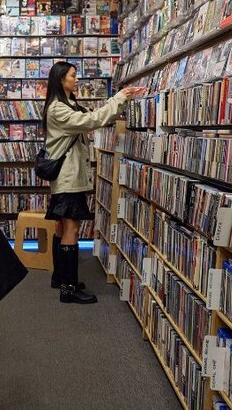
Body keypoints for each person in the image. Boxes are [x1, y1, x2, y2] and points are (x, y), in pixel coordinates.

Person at [43, 61, 146, 304]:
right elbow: (92, 121)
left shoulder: (66, 106)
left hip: (67, 177)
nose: (76, 79)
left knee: (61, 227)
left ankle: (60, 278)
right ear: (60, 80)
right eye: (72, 75)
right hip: (68, 178)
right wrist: (119, 97)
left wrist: (120, 99)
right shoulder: (58, 109)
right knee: (72, 229)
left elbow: (90, 117)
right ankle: (68, 289)